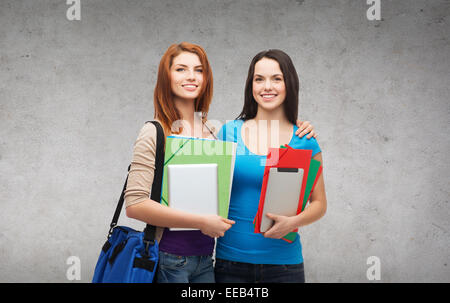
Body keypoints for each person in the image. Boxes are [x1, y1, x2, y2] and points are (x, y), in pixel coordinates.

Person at [124, 43, 317, 283]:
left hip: (206, 261)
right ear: (166, 77)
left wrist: (291, 125)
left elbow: (263, 142)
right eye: (181, 69)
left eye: (199, 70)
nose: (191, 77)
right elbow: (135, 205)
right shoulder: (154, 132)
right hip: (168, 259)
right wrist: (201, 221)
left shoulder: (214, 132)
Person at [214, 49, 327, 283]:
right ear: (250, 85)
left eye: (277, 78)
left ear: (289, 84)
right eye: (259, 79)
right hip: (230, 264)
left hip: (284, 266)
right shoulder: (228, 133)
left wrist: (294, 222)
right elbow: (211, 194)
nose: (267, 86)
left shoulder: (305, 140)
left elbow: (319, 204)